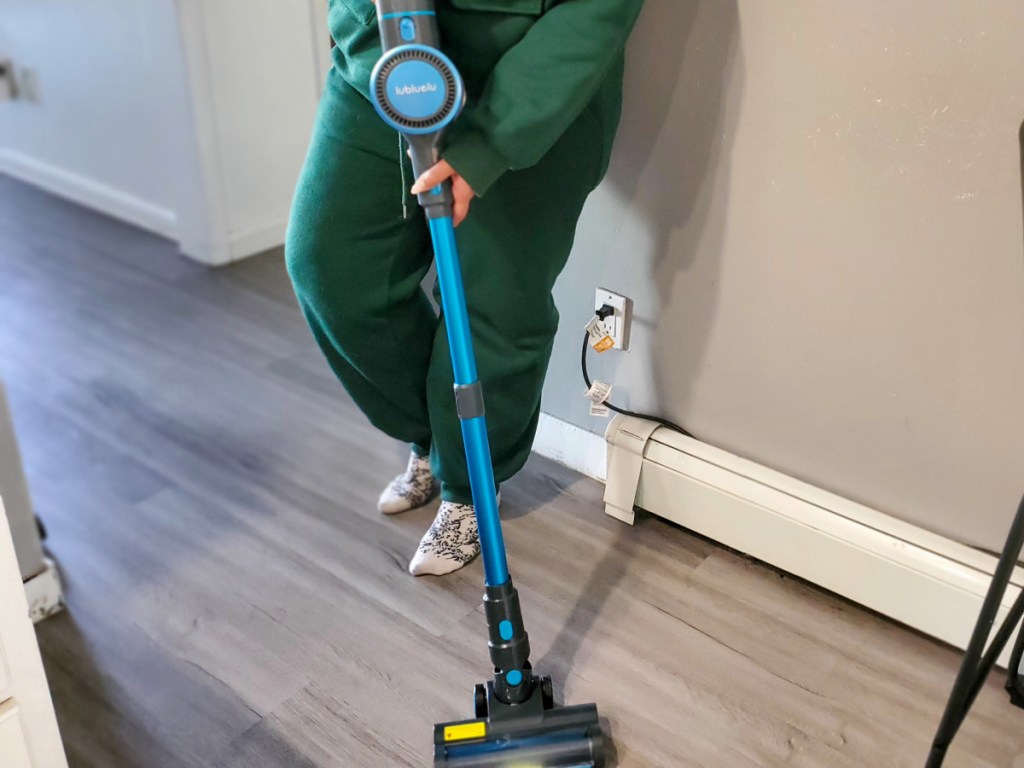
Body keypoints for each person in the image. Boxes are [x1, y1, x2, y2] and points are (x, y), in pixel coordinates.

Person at [286, 0, 644, 576]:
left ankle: (468, 484)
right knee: (331, 268)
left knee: (494, 305)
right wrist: (372, 43)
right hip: (388, 55)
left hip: (520, 80)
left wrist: (488, 146)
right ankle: (435, 438)